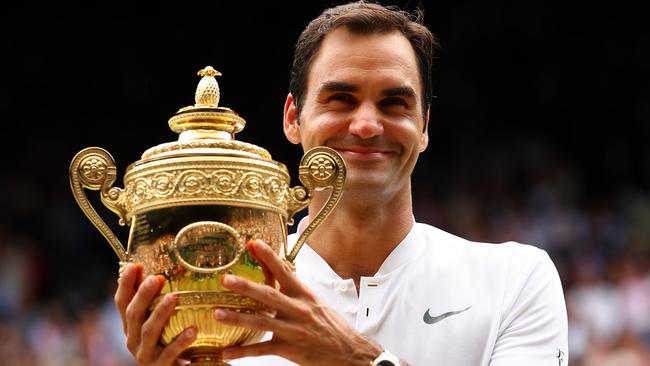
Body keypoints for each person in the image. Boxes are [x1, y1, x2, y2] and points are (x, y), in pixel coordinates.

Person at [114, 1, 569, 365]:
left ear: (425, 126)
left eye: (394, 104)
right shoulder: (222, 303)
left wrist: (356, 359)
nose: (368, 125)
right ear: (294, 118)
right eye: (341, 99)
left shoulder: (514, 280)